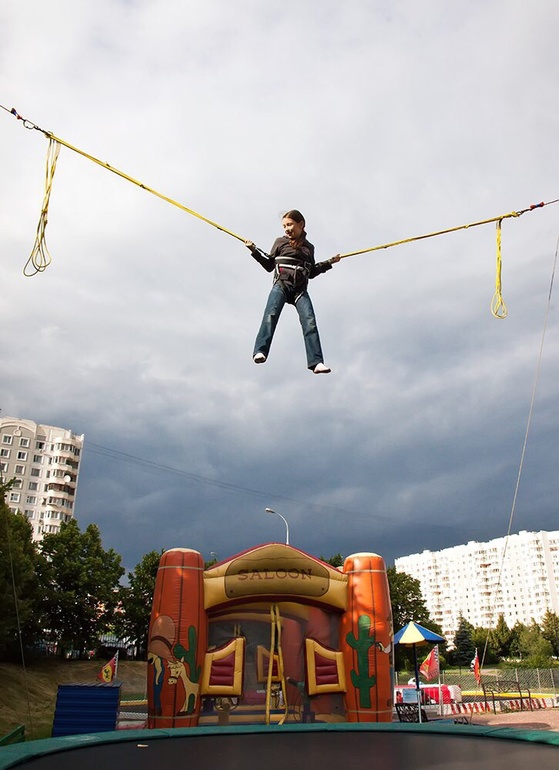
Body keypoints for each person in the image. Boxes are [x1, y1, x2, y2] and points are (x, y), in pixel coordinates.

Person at [245, 210, 340, 374]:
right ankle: (260, 351)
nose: (287, 229)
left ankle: (316, 362)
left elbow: (312, 272)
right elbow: (269, 265)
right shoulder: (280, 242)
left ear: (301, 224)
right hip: (281, 285)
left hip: (299, 290)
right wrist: (254, 251)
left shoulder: (309, 248)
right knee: (271, 315)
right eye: (284, 226)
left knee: (310, 321)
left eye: (289, 225)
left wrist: (330, 262)